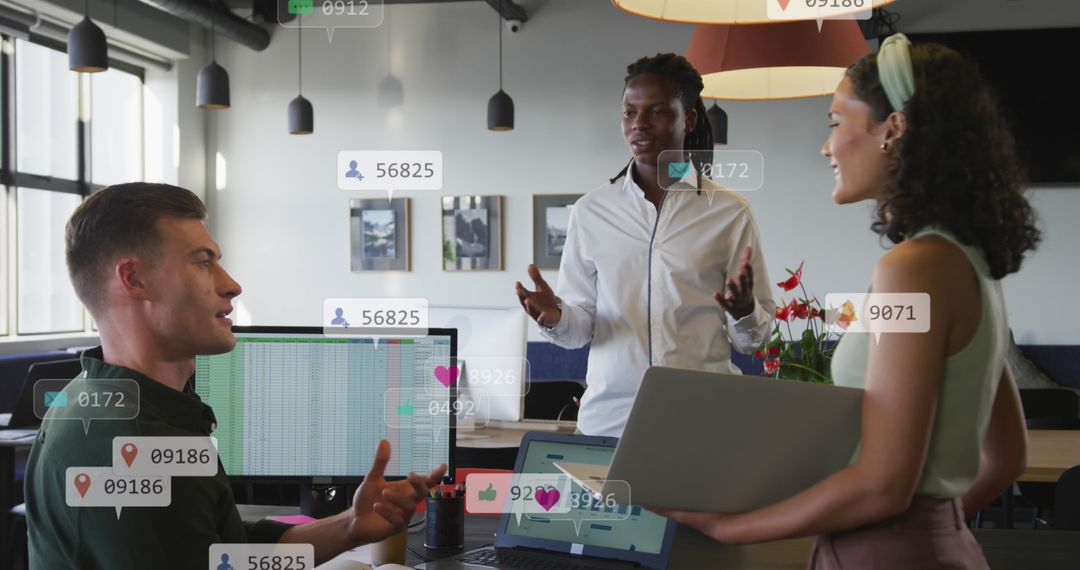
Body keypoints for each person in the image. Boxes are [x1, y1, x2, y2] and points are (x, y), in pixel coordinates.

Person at [654, 35, 1037, 569]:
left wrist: (729, 527)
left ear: (893, 130)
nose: (826, 146)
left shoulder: (913, 269)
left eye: (836, 123)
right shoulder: (968, 263)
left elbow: (883, 486)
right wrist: (934, 528)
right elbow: (1007, 457)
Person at [24, 183, 446, 568]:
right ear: (135, 280)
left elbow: (222, 551)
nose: (232, 285)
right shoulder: (137, 450)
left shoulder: (87, 399)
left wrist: (351, 525)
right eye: (203, 263)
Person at [515, 53, 775, 437]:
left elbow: (754, 341)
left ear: (688, 118)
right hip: (611, 424)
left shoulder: (729, 212)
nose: (639, 124)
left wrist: (744, 310)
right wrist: (554, 318)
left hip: (703, 425)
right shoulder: (591, 212)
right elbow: (581, 328)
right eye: (629, 113)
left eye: (656, 112)